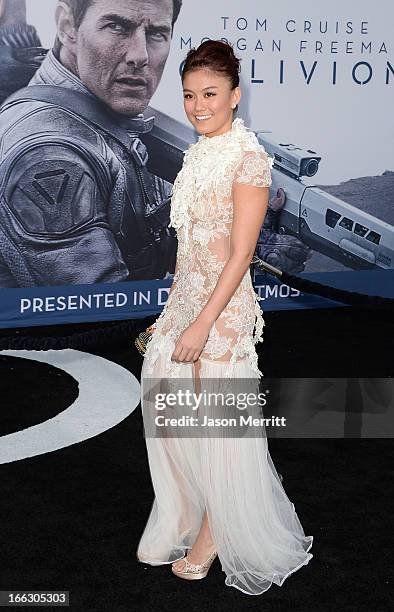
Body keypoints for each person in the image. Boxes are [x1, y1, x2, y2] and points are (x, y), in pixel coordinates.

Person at [137, 40, 313, 596]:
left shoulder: (249, 159)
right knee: (169, 415)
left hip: (222, 311)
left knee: (218, 429)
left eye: (209, 94)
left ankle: (213, 536)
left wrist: (201, 324)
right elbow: (191, 249)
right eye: (189, 95)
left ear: (235, 97)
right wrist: (173, 314)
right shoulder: (198, 153)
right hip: (186, 302)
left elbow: (239, 255)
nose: (197, 105)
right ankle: (185, 514)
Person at [0, 0, 182, 286]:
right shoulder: (49, 157)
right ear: (67, 27)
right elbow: (111, 315)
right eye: (117, 27)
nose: (140, 55)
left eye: (156, 33)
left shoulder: (104, 113)